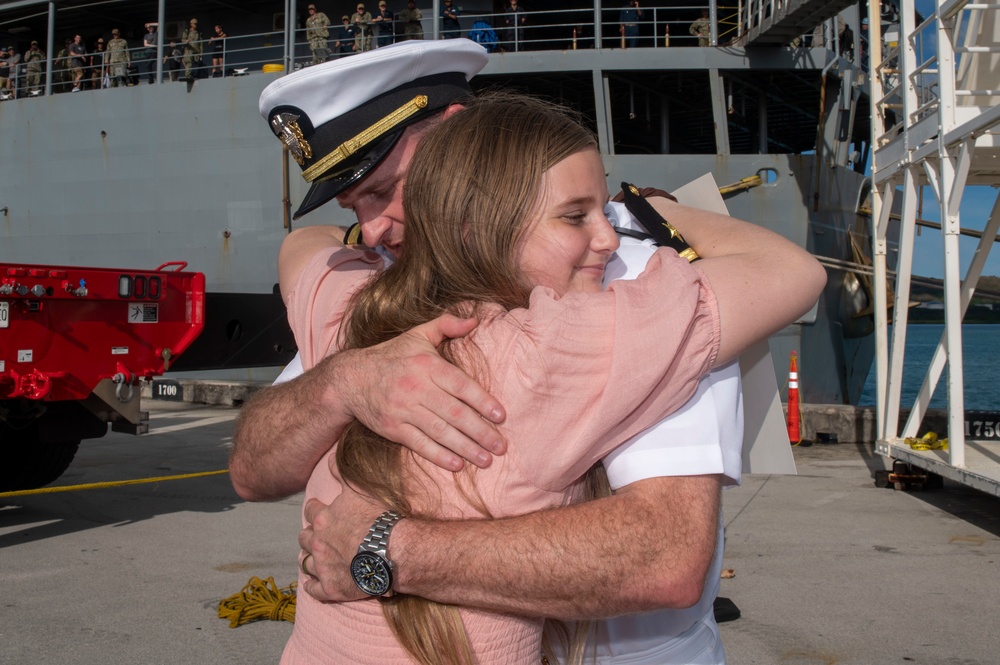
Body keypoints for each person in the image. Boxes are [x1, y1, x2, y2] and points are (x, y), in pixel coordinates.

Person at [246, 40, 825, 663]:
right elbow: (255, 469)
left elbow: (661, 555)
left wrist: (384, 548)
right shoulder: (378, 290)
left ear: (460, 151)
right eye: (357, 206)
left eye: (386, 188)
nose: (377, 227)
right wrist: (341, 383)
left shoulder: (623, 276)